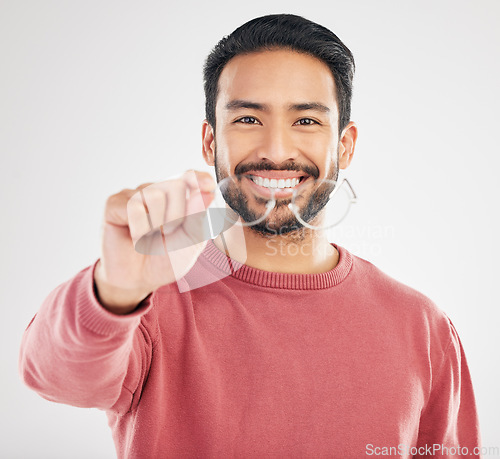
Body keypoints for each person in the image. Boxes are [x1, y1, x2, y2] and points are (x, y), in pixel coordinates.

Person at [19, 13, 481, 458]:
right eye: (247, 119)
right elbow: (55, 378)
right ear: (209, 142)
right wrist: (116, 292)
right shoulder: (146, 301)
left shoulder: (424, 328)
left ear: (345, 145)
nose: (276, 151)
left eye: (306, 120)